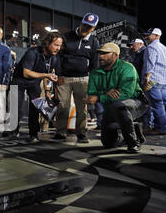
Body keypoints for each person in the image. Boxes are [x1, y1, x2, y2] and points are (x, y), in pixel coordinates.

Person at [87, 43, 148, 153]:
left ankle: (133, 143)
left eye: (105, 53)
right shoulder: (94, 73)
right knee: (108, 143)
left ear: (115, 55)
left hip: (137, 103)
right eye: (100, 53)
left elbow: (126, 93)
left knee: (119, 106)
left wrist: (101, 97)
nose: (101, 56)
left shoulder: (127, 68)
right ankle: (134, 130)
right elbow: (92, 95)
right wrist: (107, 93)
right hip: (111, 106)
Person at [53, 13, 100, 143]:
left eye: (89, 27)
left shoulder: (94, 41)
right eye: (85, 24)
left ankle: (81, 133)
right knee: (63, 106)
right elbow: (58, 57)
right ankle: (60, 132)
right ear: (81, 23)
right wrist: (59, 74)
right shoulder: (67, 37)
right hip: (65, 78)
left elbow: (95, 64)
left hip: (83, 79)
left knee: (82, 109)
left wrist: (92, 81)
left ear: (94, 28)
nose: (86, 28)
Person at [11, 32, 61, 142]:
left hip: (34, 81)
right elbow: (26, 73)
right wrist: (46, 75)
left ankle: (33, 133)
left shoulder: (54, 58)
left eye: (60, 46)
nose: (58, 48)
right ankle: (13, 130)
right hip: (19, 80)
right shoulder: (32, 52)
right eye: (56, 45)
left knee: (35, 107)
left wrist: (47, 90)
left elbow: (48, 75)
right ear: (47, 43)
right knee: (16, 106)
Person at [142, 28, 166, 135]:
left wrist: (147, 78)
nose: (146, 37)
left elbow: (150, 64)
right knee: (165, 105)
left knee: (157, 105)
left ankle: (160, 129)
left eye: (149, 35)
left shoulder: (151, 47)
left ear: (156, 36)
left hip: (153, 80)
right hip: (165, 80)